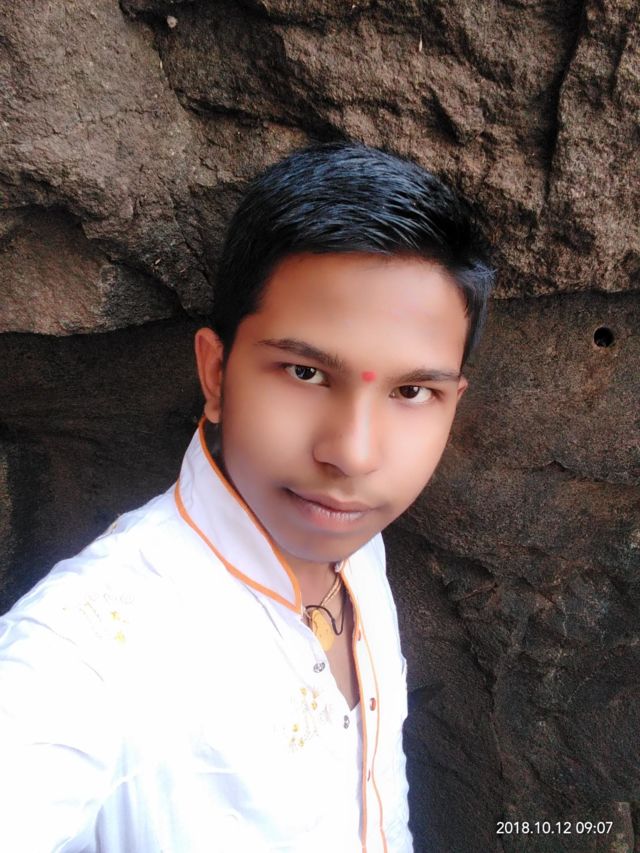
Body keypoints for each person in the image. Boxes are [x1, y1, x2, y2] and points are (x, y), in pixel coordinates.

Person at [0, 141, 494, 852]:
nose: (353, 453)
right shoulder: (88, 650)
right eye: (304, 372)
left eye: (412, 391)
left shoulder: (358, 548)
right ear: (216, 373)